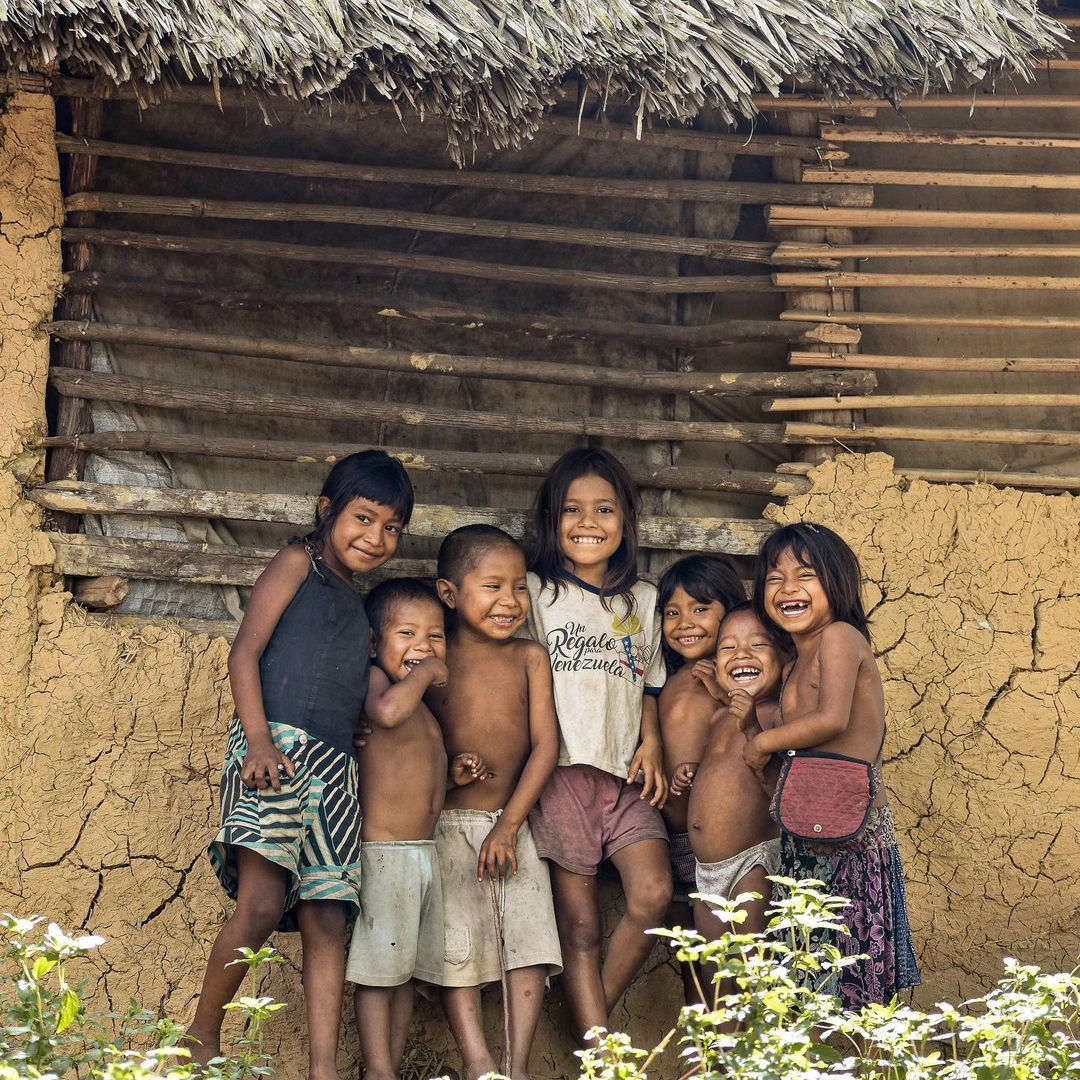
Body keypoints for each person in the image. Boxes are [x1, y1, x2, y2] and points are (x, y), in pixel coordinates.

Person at [189, 450, 413, 1079]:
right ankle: (202, 1033)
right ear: (326, 510)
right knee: (260, 905)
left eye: (391, 528)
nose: (376, 538)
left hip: (336, 771)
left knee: (327, 916)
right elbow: (245, 654)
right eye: (363, 518)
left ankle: (322, 1070)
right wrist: (257, 742)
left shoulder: (357, 602)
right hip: (277, 755)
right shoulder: (298, 563)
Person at [523, 448, 671, 1043]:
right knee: (578, 928)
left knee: (655, 893)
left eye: (604, 509)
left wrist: (653, 742)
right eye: (572, 510)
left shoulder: (645, 599)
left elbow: (651, 683)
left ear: (627, 517)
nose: (588, 521)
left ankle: (590, 1025)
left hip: (629, 776)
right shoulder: (536, 592)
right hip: (560, 776)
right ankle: (601, 1054)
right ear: (550, 520)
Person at [748, 522, 921, 1007]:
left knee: (855, 973)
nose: (787, 589)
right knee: (807, 972)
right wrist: (754, 723)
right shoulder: (791, 664)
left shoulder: (840, 638)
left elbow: (831, 718)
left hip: (854, 840)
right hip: (808, 835)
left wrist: (764, 743)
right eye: (774, 579)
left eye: (805, 575)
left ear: (837, 584)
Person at [425, 525, 561, 1080]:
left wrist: (508, 826)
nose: (510, 602)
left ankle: (517, 1065)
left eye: (519, 588)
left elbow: (546, 745)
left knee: (528, 941)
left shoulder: (529, 657)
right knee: (456, 943)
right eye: (492, 587)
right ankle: (479, 1065)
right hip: (445, 824)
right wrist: (450, 781)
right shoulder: (433, 661)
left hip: (515, 820)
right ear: (450, 594)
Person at [345, 578, 488, 1080]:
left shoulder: (420, 706)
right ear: (372, 643)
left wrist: (451, 779)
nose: (423, 647)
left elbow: (414, 785)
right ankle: (378, 1070)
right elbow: (384, 715)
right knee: (378, 975)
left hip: (421, 854)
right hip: (385, 856)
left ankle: (392, 1063)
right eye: (407, 633)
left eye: (435, 637)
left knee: (401, 973)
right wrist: (428, 672)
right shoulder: (378, 684)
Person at [671, 604, 784, 956]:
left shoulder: (776, 714)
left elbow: (780, 787)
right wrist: (689, 773)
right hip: (706, 870)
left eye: (759, 645)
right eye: (728, 647)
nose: (742, 655)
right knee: (717, 979)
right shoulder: (720, 714)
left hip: (753, 862)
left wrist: (752, 725)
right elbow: (720, 769)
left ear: (786, 657)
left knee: (750, 974)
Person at [656, 557, 745, 946]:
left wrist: (724, 695)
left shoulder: (730, 674)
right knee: (689, 950)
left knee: (721, 950)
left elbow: (742, 734)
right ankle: (695, 1008)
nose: (685, 622)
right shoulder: (663, 677)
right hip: (672, 838)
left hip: (717, 842)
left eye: (700, 609)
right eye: (672, 612)